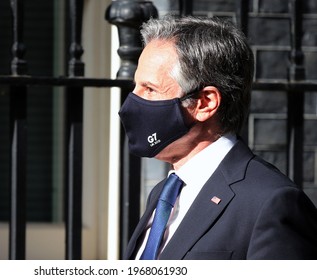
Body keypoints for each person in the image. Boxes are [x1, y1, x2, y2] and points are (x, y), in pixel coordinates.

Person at [118, 15, 317, 260]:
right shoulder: (164, 193)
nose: (131, 102)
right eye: (135, 87)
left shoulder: (271, 202)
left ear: (205, 103)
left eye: (149, 89)